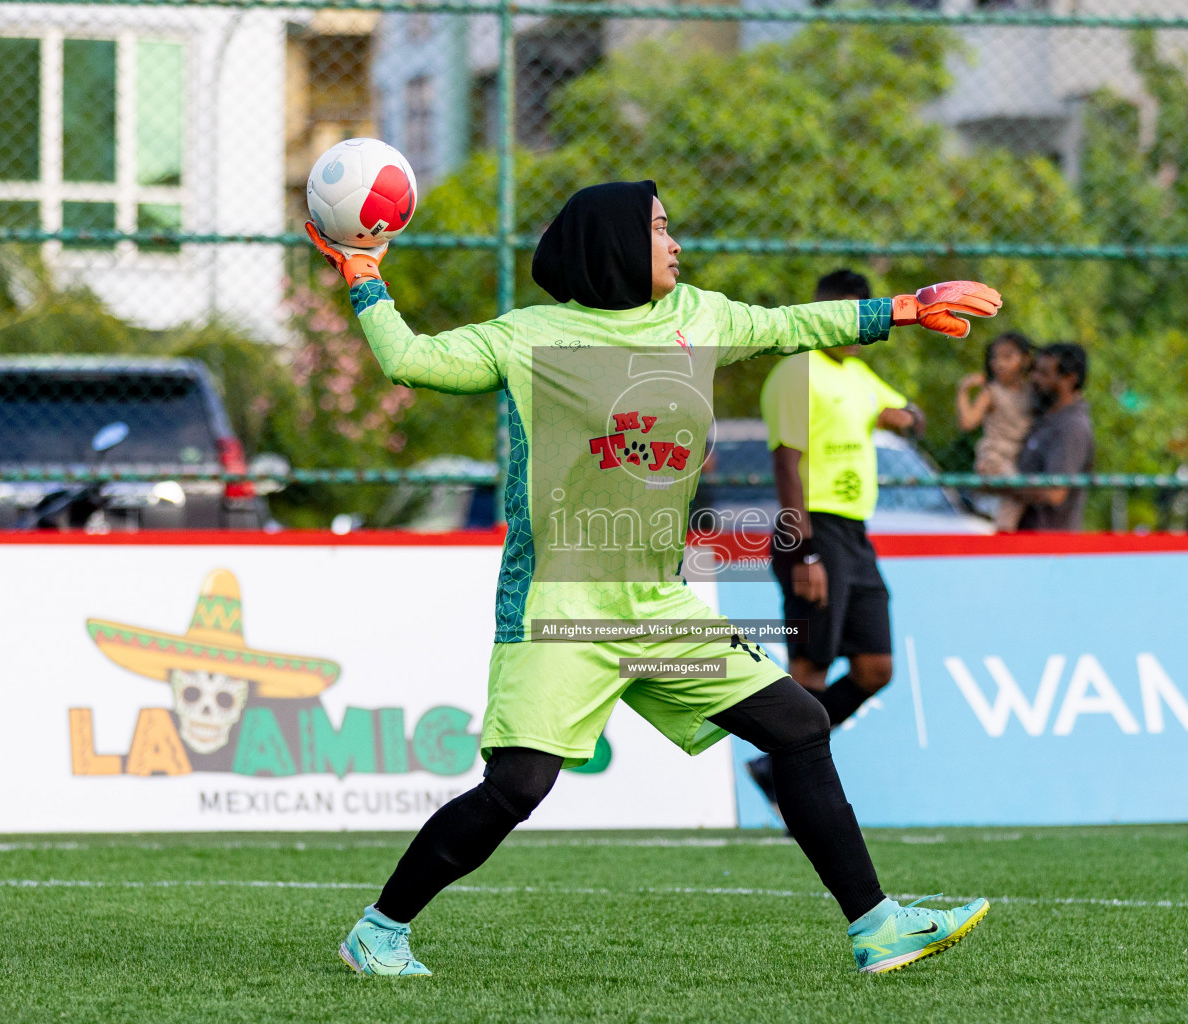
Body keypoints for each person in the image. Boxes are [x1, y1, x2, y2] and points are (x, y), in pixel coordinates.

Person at [305, 180, 1002, 976]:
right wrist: (365, 275)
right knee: (518, 787)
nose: (675, 244)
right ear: (611, 244)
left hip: (656, 602)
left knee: (800, 725)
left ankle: (877, 928)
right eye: (661, 228)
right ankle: (380, 930)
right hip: (558, 603)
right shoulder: (528, 337)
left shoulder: (697, 316)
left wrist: (901, 309)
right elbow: (411, 362)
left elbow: (790, 326)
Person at [744, 269, 924, 816]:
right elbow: (785, 465)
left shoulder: (859, 375)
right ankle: (795, 789)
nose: (857, 325)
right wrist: (805, 551)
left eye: (864, 314)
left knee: (875, 668)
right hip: (813, 530)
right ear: (822, 312)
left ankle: (774, 769)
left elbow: (913, 417)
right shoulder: (798, 372)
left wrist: (899, 414)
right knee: (809, 670)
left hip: (856, 534)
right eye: (848, 313)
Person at [955, 332, 1035, 532]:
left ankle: (1004, 534)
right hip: (995, 460)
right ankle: (1003, 536)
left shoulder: (1031, 392)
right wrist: (963, 391)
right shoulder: (992, 392)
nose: (999, 364)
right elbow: (968, 422)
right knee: (1019, 492)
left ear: (1025, 360)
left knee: (1014, 502)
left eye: (1007, 357)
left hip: (1019, 460)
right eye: (995, 358)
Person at [1011, 342, 1094, 532]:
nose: (1034, 379)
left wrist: (1003, 485)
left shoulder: (1071, 427)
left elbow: (1055, 492)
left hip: (1049, 545)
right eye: (1035, 371)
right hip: (1024, 539)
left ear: (1069, 379)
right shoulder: (1044, 418)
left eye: (1044, 373)